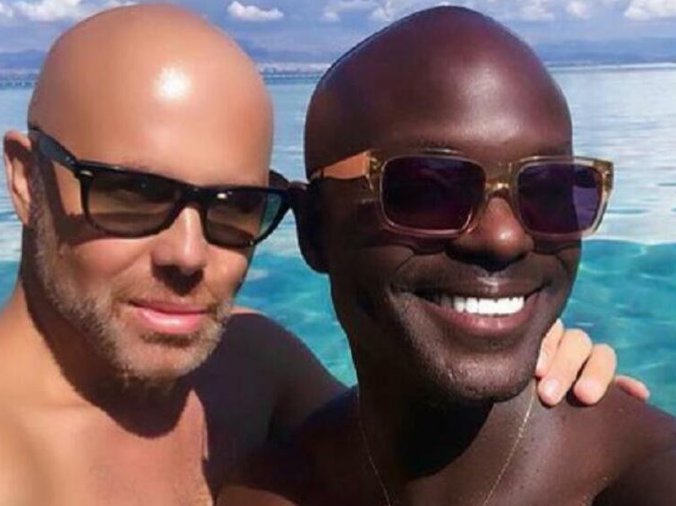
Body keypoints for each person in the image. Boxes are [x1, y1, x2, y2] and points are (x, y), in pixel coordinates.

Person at [0, 4, 643, 505]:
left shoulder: (250, 366)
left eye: (234, 206)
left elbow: (403, 440)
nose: (188, 254)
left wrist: (536, 375)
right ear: (26, 180)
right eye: (131, 195)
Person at [218, 7, 676, 506]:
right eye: (426, 191)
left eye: (549, 191)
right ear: (315, 229)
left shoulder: (642, 473)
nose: (504, 238)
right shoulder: (264, 491)